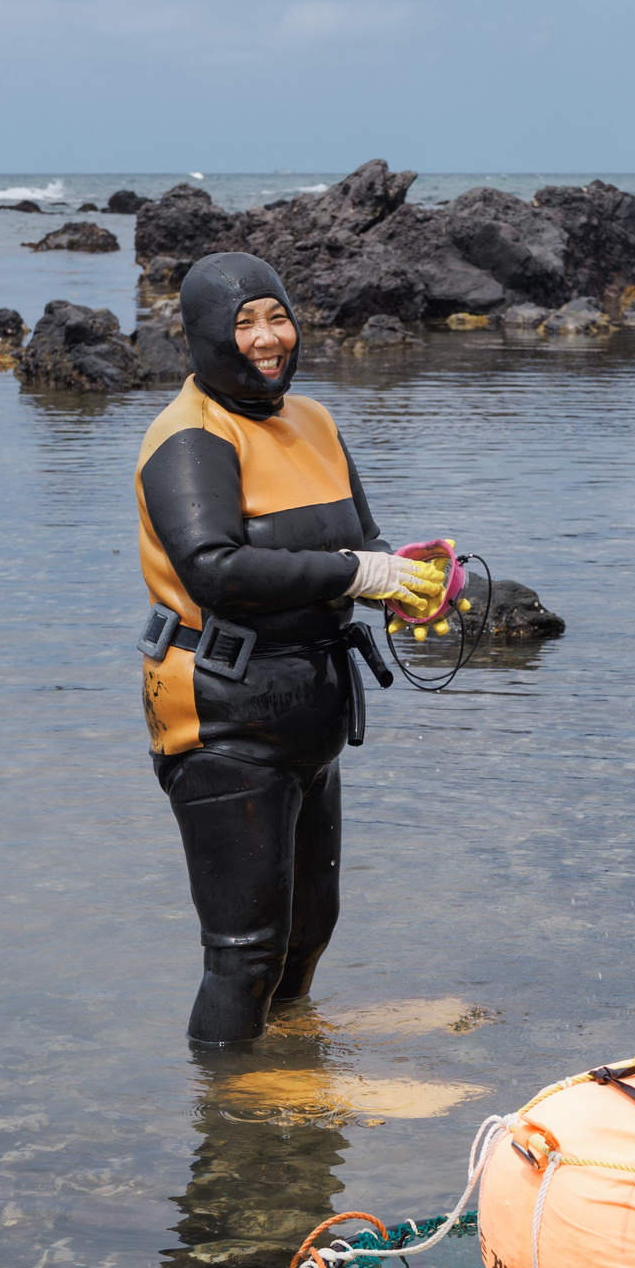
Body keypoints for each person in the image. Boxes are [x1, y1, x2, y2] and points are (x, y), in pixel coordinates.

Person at [134, 251, 445, 1046]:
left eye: (278, 316)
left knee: (309, 930)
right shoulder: (188, 437)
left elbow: (361, 539)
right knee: (245, 949)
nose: (268, 337)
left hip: (310, 709)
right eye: (244, 323)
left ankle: (290, 1071)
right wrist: (358, 573)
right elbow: (214, 569)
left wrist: (402, 579)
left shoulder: (314, 420)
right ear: (204, 334)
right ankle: (226, 1102)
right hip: (221, 716)